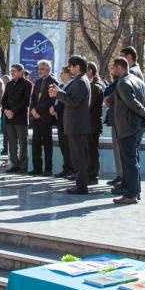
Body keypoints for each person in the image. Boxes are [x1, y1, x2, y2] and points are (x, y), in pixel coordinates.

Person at [110, 57, 145, 205]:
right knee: (133, 160)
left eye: (113, 68)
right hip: (138, 127)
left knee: (129, 162)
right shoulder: (140, 82)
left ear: (120, 68)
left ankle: (130, 195)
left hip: (127, 127)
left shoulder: (123, 83)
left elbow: (132, 103)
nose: (112, 72)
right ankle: (134, 192)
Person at [53, 56, 94, 194]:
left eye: (70, 66)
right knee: (77, 157)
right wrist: (59, 92)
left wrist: (58, 93)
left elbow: (73, 101)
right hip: (75, 125)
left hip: (77, 125)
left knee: (78, 157)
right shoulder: (78, 80)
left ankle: (81, 186)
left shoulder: (81, 81)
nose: (69, 68)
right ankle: (80, 184)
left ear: (77, 67)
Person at [3, 64, 32, 174]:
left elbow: (25, 101)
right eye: (11, 71)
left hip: (20, 118)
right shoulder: (9, 84)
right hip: (9, 118)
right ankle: (14, 164)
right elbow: (4, 99)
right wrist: (6, 110)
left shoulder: (27, 84)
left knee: (23, 143)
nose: (12, 73)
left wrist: (13, 111)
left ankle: (23, 166)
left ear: (21, 72)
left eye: (14, 71)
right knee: (12, 143)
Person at [28, 60, 56, 176]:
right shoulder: (38, 81)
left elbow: (50, 100)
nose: (39, 71)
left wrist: (38, 111)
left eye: (42, 69)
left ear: (48, 70)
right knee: (36, 143)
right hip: (36, 117)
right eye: (39, 69)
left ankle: (48, 169)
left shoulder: (53, 82)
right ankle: (37, 168)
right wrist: (33, 110)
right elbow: (33, 98)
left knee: (47, 145)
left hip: (45, 118)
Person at [86, 62, 105, 182]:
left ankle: (93, 175)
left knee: (92, 150)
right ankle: (89, 173)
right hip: (89, 124)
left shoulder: (95, 86)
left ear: (90, 71)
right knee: (89, 150)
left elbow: (89, 105)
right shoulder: (91, 85)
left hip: (92, 124)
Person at [54, 66, 74, 179]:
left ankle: (72, 169)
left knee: (69, 146)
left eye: (62, 73)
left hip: (67, 120)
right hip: (60, 120)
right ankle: (66, 168)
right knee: (63, 146)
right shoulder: (61, 86)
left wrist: (55, 108)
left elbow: (66, 101)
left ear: (67, 74)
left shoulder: (71, 85)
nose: (60, 75)